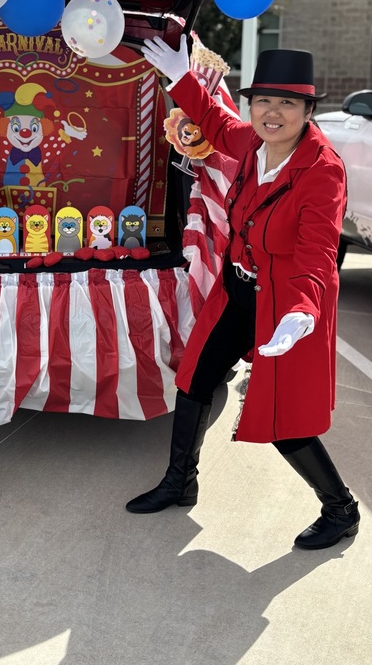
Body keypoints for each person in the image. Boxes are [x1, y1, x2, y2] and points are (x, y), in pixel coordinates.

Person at [126, 37, 360, 550]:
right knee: (194, 379)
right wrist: (178, 75)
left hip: (286, 303)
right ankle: (179, 482)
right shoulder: (251, 142)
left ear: (308, 111)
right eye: (262, 101)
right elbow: (213, 120)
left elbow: (317, 251)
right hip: (237, 290)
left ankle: (341, 508)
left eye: (287, 103)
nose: (272, 113)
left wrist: (303, 310)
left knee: (283, 417)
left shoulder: (322, 171)